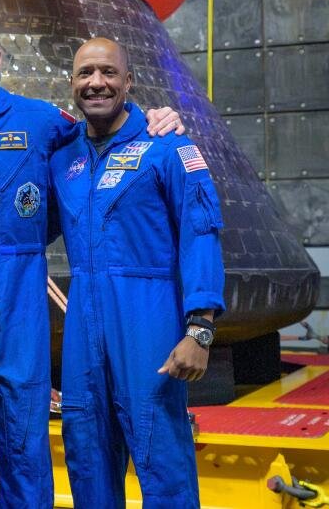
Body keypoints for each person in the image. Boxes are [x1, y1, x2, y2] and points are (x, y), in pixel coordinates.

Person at [0, 15, 186, 508]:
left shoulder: (43, 122)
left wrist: (157, 119)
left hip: (18, 304)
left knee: (24, 441)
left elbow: (105, 130)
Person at [49, 37, 225, 508]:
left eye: (108, 72)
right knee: (86, 449)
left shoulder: (167, 145)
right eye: (85, 73)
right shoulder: (62, 156)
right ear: (72, 83)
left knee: (160, 449)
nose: (96, 83)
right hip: (84, 323)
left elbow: (201, 233)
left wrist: (200, 329)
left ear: (128, 81)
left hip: (148, 319)